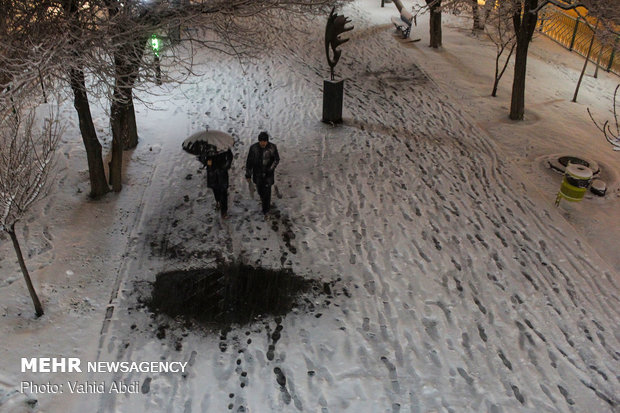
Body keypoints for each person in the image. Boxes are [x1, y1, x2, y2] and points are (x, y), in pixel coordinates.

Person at [245, 131, 280, 215]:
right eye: (261, 141)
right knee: (260, 190)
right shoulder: (253, 148)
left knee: (267, 193)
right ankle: (263, 200)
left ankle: (266, 210)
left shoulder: (272, 147)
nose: (263, 143)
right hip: (257, 174)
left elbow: (276, 159)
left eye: (264, 141)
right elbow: (249, 162)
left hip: (268, 174)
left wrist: (270, 169)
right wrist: (248, 174)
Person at [201, 148, 233, 219]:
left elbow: (230, 156)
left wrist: (226, 165)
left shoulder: (223, 145)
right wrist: (206, 162)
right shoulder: (206, 147)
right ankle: (218, 201)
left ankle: (224, 212)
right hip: (212, 172)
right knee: (215, 189)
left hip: (222, 172)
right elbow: (202, 157)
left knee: (224, 192)